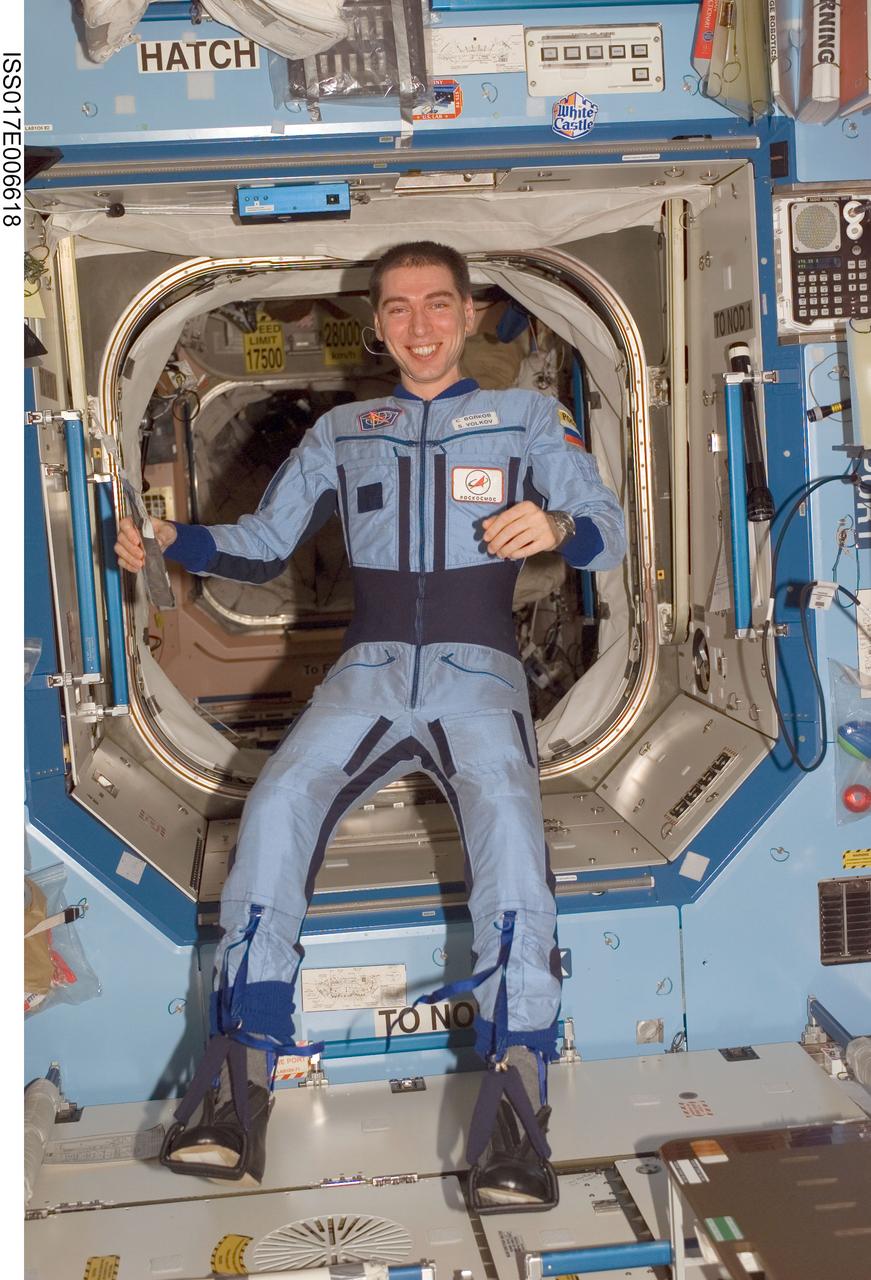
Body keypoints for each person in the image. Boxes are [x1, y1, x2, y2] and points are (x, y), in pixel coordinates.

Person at [115, 241, 626, 1210]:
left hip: (477, 674)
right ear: (377, 321)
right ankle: (237, 1077)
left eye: (438, 304)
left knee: (512, 841)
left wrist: (560, 530)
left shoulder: (524, 417)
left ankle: (516, 1094)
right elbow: (263, 547)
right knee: (274, 809)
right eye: (398, 307)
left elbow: (606, 524)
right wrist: (169, 538)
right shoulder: (347, 429)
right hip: (370, 670)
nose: (419, 324)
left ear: (470, 313)